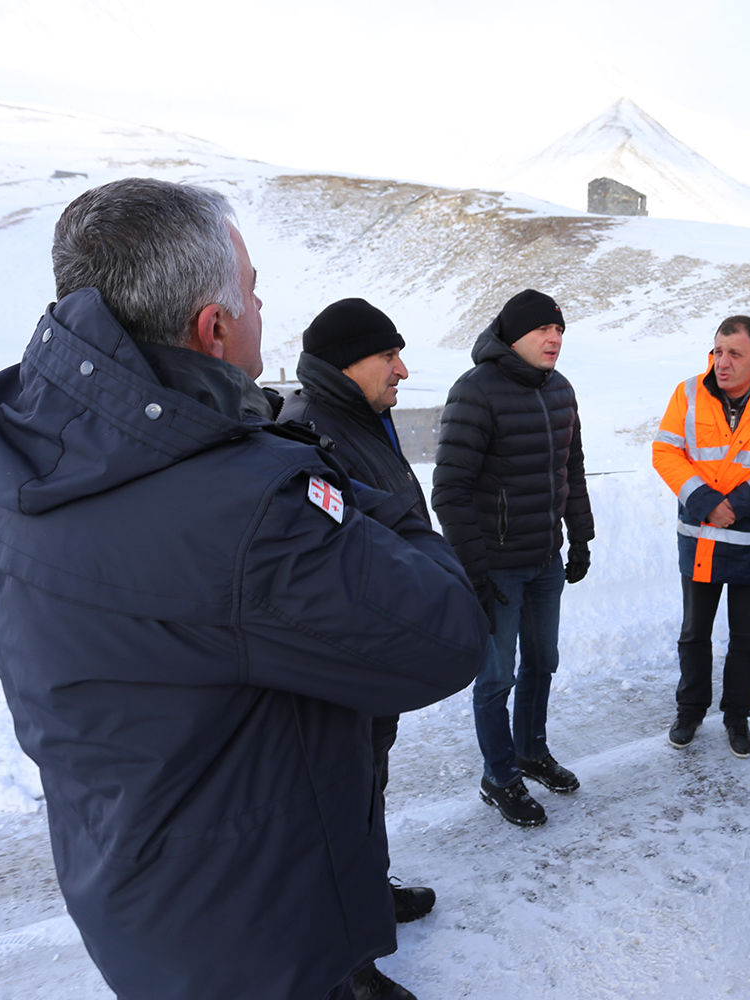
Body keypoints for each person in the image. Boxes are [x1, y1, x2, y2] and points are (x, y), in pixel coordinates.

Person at [0, 178, 487, 1000]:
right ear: (214, 328)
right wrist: (354, 491)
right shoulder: (246, 510)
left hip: (136, 899)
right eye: (251, 289)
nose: (261, 302)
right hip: (260, 933)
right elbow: (448, 634)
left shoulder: (20, 462)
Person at [277, 297, 436, 1000]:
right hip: (341, 664)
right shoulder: (313, 432)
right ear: (348, 363)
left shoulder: (359, 416)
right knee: (337, 809)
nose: (402, 369)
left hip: (374, 654)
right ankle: (350, 968)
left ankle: (368, 896)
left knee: (368, 791)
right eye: (388, 356)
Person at [432, 289, 594, 827]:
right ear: (513, 334)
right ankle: (499, 775)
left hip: (545, 558)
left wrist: (581, 535)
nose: (555, 339)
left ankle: (530, 752)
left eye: (561, 331)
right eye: (544, 330)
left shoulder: (561, 390)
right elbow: (450, 490)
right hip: (497, 566)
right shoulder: (475, 392)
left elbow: (571, 469)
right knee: (496, 677)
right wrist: (473, 570)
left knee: (542, 663)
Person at [652, 315, 750, 757]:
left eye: (734, 354)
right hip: (702, 535)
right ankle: (690, 711)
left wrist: (737, 504)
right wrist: (706, 501)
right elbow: (665, 451)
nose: (722, 363)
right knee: (694, 634)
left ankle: (737, 716)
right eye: (718, 352)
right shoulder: (689, 392)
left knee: (747, 639)